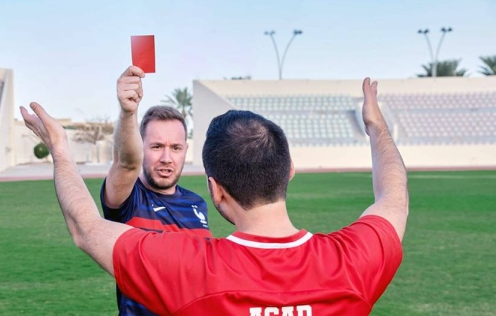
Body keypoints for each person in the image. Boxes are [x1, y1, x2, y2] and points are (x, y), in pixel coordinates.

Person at [20, 78, 408, 315]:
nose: (165, 157)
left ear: (215, 189)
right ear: (289, 171)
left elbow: (86, 228)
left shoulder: (192, 272)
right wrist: (376, 127)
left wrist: (60, 149)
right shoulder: (353, 262)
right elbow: (394, 194)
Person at [101, 66, 212, 315]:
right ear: (141, 147)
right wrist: (128, 113)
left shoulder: (197, 204)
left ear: (185, 150)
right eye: (156, 146)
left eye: (175, 147)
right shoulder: (128, 198)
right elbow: (126, 163)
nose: (166, 158)